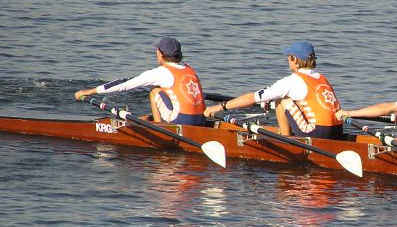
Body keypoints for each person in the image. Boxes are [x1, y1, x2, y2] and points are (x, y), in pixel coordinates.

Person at [204, 41, 343, 139]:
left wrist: (219, 107)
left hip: (317, 133)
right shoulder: (322, 78)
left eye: (288, 57)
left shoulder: (292, 81)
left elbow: (252, 98)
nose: (287, 60)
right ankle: (288, 134)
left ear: (294, 59)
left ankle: (286, 138)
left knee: (281, 100)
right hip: (337, 132)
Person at [74, 37, 207, 126]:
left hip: (182, 121)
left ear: (160, 54)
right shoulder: (189, 69)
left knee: (155, 91)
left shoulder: (160, 72)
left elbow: (124, 84)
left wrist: (89, 92)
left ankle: (158, 126)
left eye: (156, 51)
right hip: (201, 119)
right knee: (167, 91)